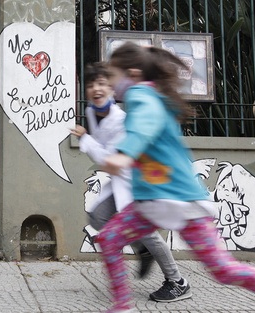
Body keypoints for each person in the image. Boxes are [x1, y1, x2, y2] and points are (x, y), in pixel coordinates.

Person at [96, 41, 255, 313]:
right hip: (156, 201)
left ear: (132, 75)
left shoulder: (141, 97)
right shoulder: (153, 97)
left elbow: (143, 128)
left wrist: (124, 154)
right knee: (221, 270)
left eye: (113, 77)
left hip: (176, 200)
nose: (110, 84)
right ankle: (122, 307)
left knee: (222, 270)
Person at [71, 62, 192, 303]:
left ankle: (178, 282)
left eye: (103, 84)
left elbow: (110, 159)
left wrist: (85, 139)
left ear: (113, 90)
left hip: (139, 182)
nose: (97, 89)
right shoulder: (91, 112)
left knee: (147, 231)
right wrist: (89, 139)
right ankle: (143, 248)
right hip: (120, 182)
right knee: (97, 217)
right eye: (92, 85)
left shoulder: (120, 120)